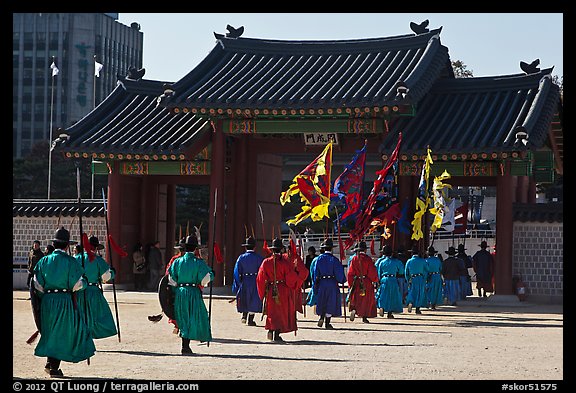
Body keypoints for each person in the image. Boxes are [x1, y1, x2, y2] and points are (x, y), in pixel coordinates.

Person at [31, 227, 96, 377]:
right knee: (61, 333)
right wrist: (84, 282)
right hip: (64, 300)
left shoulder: (43, 261)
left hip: (47, 301)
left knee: (51, 331)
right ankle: (54, 368)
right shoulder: (71, 262)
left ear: (54, 244)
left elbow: (36, 285)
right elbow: (77, 285)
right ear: (67, 245)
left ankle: (50, 363)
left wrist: (45, 297)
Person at [167, 235, 214, 355]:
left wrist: (175, 291)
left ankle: (185, 346)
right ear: (195, 249)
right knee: (195, 316)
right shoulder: (198, 262)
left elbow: (171, 280)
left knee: (183, 317)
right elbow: (205, 279)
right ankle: (190, 343)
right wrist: (212, 274)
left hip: (180, 292)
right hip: (193, 292)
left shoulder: (177, 262)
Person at [256, 238, 306, 342]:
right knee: (280, 312)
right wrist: (297, 280)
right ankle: (277, 333)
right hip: (282, 289)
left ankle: (271, 329)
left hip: (270, 289)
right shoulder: (285, 263)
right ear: (281, 249)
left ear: (272, 249)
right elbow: (291, 278)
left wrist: (262, 291)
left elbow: (260, 278)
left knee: (271, 311)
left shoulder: (266, 262)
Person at [74, 235, 117, 339]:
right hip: (93, 291)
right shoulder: (98, 260)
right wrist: (112, 272)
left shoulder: (76, 259)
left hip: (79, 291)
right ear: (96, 248)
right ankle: (90, 334)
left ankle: (80, 336)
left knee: (79, 315)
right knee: (96, 315)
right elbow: (105, 277)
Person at [307, 238, 346, 329]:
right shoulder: (334, 260)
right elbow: (339, 273)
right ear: (331, 248)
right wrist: (342, 279)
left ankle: (321, 317)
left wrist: (315, 284)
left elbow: (315, 272)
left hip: (322, 282)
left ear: (324, 248)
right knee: (330, 301)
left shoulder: (318, 259)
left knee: (322, 300)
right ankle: (327, 323)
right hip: (332, 282)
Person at [232, 236, 264, 326]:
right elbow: (262, 271)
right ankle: (250, 319)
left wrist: (238, 284)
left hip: (245, 280)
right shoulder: (259, 258)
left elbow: (236, 272)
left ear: (245, 247)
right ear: (254, 247)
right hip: (255, 280)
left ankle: (244, 315)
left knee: (244, 298)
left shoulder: (241, 258)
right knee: (253, 299)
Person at [346, 241, 378, 323]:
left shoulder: (354, 259)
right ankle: (364, 316)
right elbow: (372, 271)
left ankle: (355, 310)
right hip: (366, 281)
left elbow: (350, 273)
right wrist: (375, 279)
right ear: (365, 250)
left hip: (356, 281)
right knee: (366, 300)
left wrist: (350, 284)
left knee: (356, 298)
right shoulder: (368, 259)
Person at [375, 245, 404, 318]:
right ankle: (390, 313)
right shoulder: (397, 262)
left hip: (384, 279)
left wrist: (378, 281)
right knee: (392, 296)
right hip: (393, 279)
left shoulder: (381, 262)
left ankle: (381, 306)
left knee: (383, 295)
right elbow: (401, 271)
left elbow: (379, 273)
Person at [165, 238, 185, 333]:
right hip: (180, 288)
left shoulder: (175, 260)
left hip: (177, 288)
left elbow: (168, 274)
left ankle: (181, 327)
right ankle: (180, 326)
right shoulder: (175, 259)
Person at [405, 245, 429, 315]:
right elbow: (427, 269)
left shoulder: (409, 261)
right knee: (419, 293)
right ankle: (417, 309)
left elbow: (406, 272)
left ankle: (410, 302)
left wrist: (408, 279)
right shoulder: (422, 261)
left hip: (412, 278)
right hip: (420, 278)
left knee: (411, 291)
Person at [425, 246, 444, 310]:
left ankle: (429, 302)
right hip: (437, 276)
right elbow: (441, 268)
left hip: (429, 276)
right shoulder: (438, 260)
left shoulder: (426, 261)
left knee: (429, 290)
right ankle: (433, 304)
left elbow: (425, 270)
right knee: (436, 290)